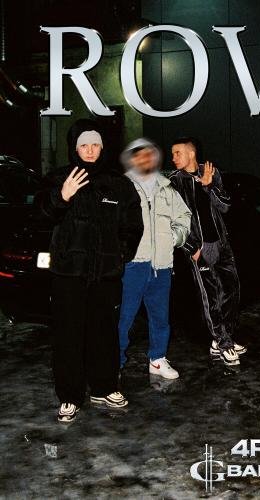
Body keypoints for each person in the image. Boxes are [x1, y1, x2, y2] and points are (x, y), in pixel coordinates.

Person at [37, 119, 143, 423]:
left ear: (103, 147)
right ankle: (69, 396)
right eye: (84, 145)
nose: (90, 150)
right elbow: (41, 216)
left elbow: (133, 225)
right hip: (68, 275)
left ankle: (104, 387)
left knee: (104, 333)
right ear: (74, 147)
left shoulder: (119, 183)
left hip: (105, 276)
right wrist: (62, 196)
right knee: (68, 335)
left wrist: (119, 256)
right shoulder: (58, 178)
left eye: (95, 144)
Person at [169, 137, 245, 366]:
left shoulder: (210, 172)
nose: (173, 158)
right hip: (199, 248)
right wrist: (191, 248)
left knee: (231, 291)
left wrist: (209, 185)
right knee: (211, 297)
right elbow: (173, 221)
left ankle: (222, 338)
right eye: (172, 154)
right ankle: (224, 343)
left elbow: (226, 206)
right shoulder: (174, 182)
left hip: (221, 244)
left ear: (191, 153)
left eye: (177, 153)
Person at [118, 138, 191, 379]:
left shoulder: (167, 188)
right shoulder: (122, 187)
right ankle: (114, 363)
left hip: (162, 265)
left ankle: (157, 359)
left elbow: (184, 217)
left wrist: (174, 237)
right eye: (139, 155)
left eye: (149, 154)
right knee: (123, 319)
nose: (145, 159)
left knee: (160, 317)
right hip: (132, 265)